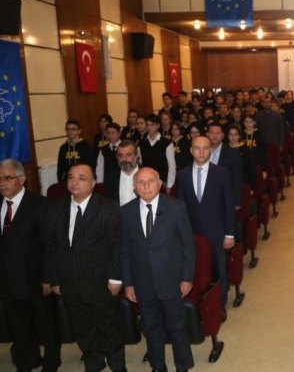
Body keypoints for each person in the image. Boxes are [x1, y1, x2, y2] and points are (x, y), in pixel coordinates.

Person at [44, 164, 126, 372]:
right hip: (69, 282)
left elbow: (118, 245)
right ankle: (94, 361)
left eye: (81, 178)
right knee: (82, 328)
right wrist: (54, 279)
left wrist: (116, 277)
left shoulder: (108, 207)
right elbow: (50, 247)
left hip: (100, 280)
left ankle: (117, 364)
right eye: (71, 177)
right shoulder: (56, 208)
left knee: (109, 327)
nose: (75, 182)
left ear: (93, 183)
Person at [121, 167, 195, 372]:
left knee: (177, 326)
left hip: (171, 279)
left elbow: (188, 246)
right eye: (141, 182)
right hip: (142, 281)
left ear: (160, 183)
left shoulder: (176, 207)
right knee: (151, 327)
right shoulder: (126, 212)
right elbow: (124, 251)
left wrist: (187, 278)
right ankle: (158, 365)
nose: (146, 186)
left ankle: (183, 364)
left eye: (150, 181)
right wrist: (128, 283)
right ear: (134, 187)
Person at [0, 159, 61, 372]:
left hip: (36, 278)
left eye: (7, 178)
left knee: (46, 325)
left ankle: (51, 362)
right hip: (8, 279)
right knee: (19, 325)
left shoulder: (40, 204)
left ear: (22, 179)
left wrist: (48, 277)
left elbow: (49, 244)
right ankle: (27, 360)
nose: (2, 183)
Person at [177, 136, 235, 314]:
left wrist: (230, 234)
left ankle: (220, 302)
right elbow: (180, 206)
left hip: (216, 229)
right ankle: (198, 301)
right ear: (191, 150)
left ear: (210, 150)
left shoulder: (221, 173)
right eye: (197, 148)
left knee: (218, 266)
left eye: (205, 148)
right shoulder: (183, 175)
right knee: (196, 266)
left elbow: (228, 205)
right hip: (192, 230)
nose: (201, 152)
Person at [206, 123, 243, 210]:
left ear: (223, 135)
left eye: (218, 133)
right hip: (205, 197)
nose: (215, 136)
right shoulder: (202, 151)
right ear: (207, 134)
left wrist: (237, 201)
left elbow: (237, 178)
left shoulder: (232, 153)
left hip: (224, 198)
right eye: (212, 133)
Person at [137, 114, 176, 193]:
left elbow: (171, 165)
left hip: (162, 181)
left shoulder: (167, 143)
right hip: (146, 180)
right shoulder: (141, 143)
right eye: (147, 125)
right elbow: (140, 162)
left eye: (152, 125)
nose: (149, 127)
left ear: (158, 126)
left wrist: (169, 185)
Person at [103, 140, 139, 205]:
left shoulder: (147, 175)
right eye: (120, 155)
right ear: (117, 157)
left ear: (136, 156)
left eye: (128, 155)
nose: (124, 159)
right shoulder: (110, 177)